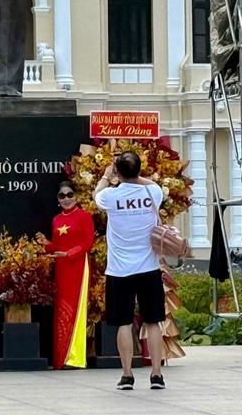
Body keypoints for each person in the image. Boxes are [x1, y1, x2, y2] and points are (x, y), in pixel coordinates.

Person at [94, 151, 167, 391]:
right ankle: (156, 374)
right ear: (139, 170)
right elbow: (151, 183)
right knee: (153, 322)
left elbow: (96, 194)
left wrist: (108, 176)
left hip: (119, 270)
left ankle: (127, 375)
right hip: (149, 268)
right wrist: (133, 175)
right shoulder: (153, 193)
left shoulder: (110, 196)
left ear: (118, 171)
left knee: (123, 323)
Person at [36, 181, 95, 370]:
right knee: (62, 310)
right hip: (62, 269)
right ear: (58, 199)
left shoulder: (84, 216)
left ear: (76, 196)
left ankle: (75, 358)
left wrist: (69, 253)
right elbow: (56, 246)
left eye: (70, 194)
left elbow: (88, 242)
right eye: (62, 196)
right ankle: (62, 358)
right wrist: (45, 244)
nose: (66, 199)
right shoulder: (56, 220)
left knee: (77, 309)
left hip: (78, 267)